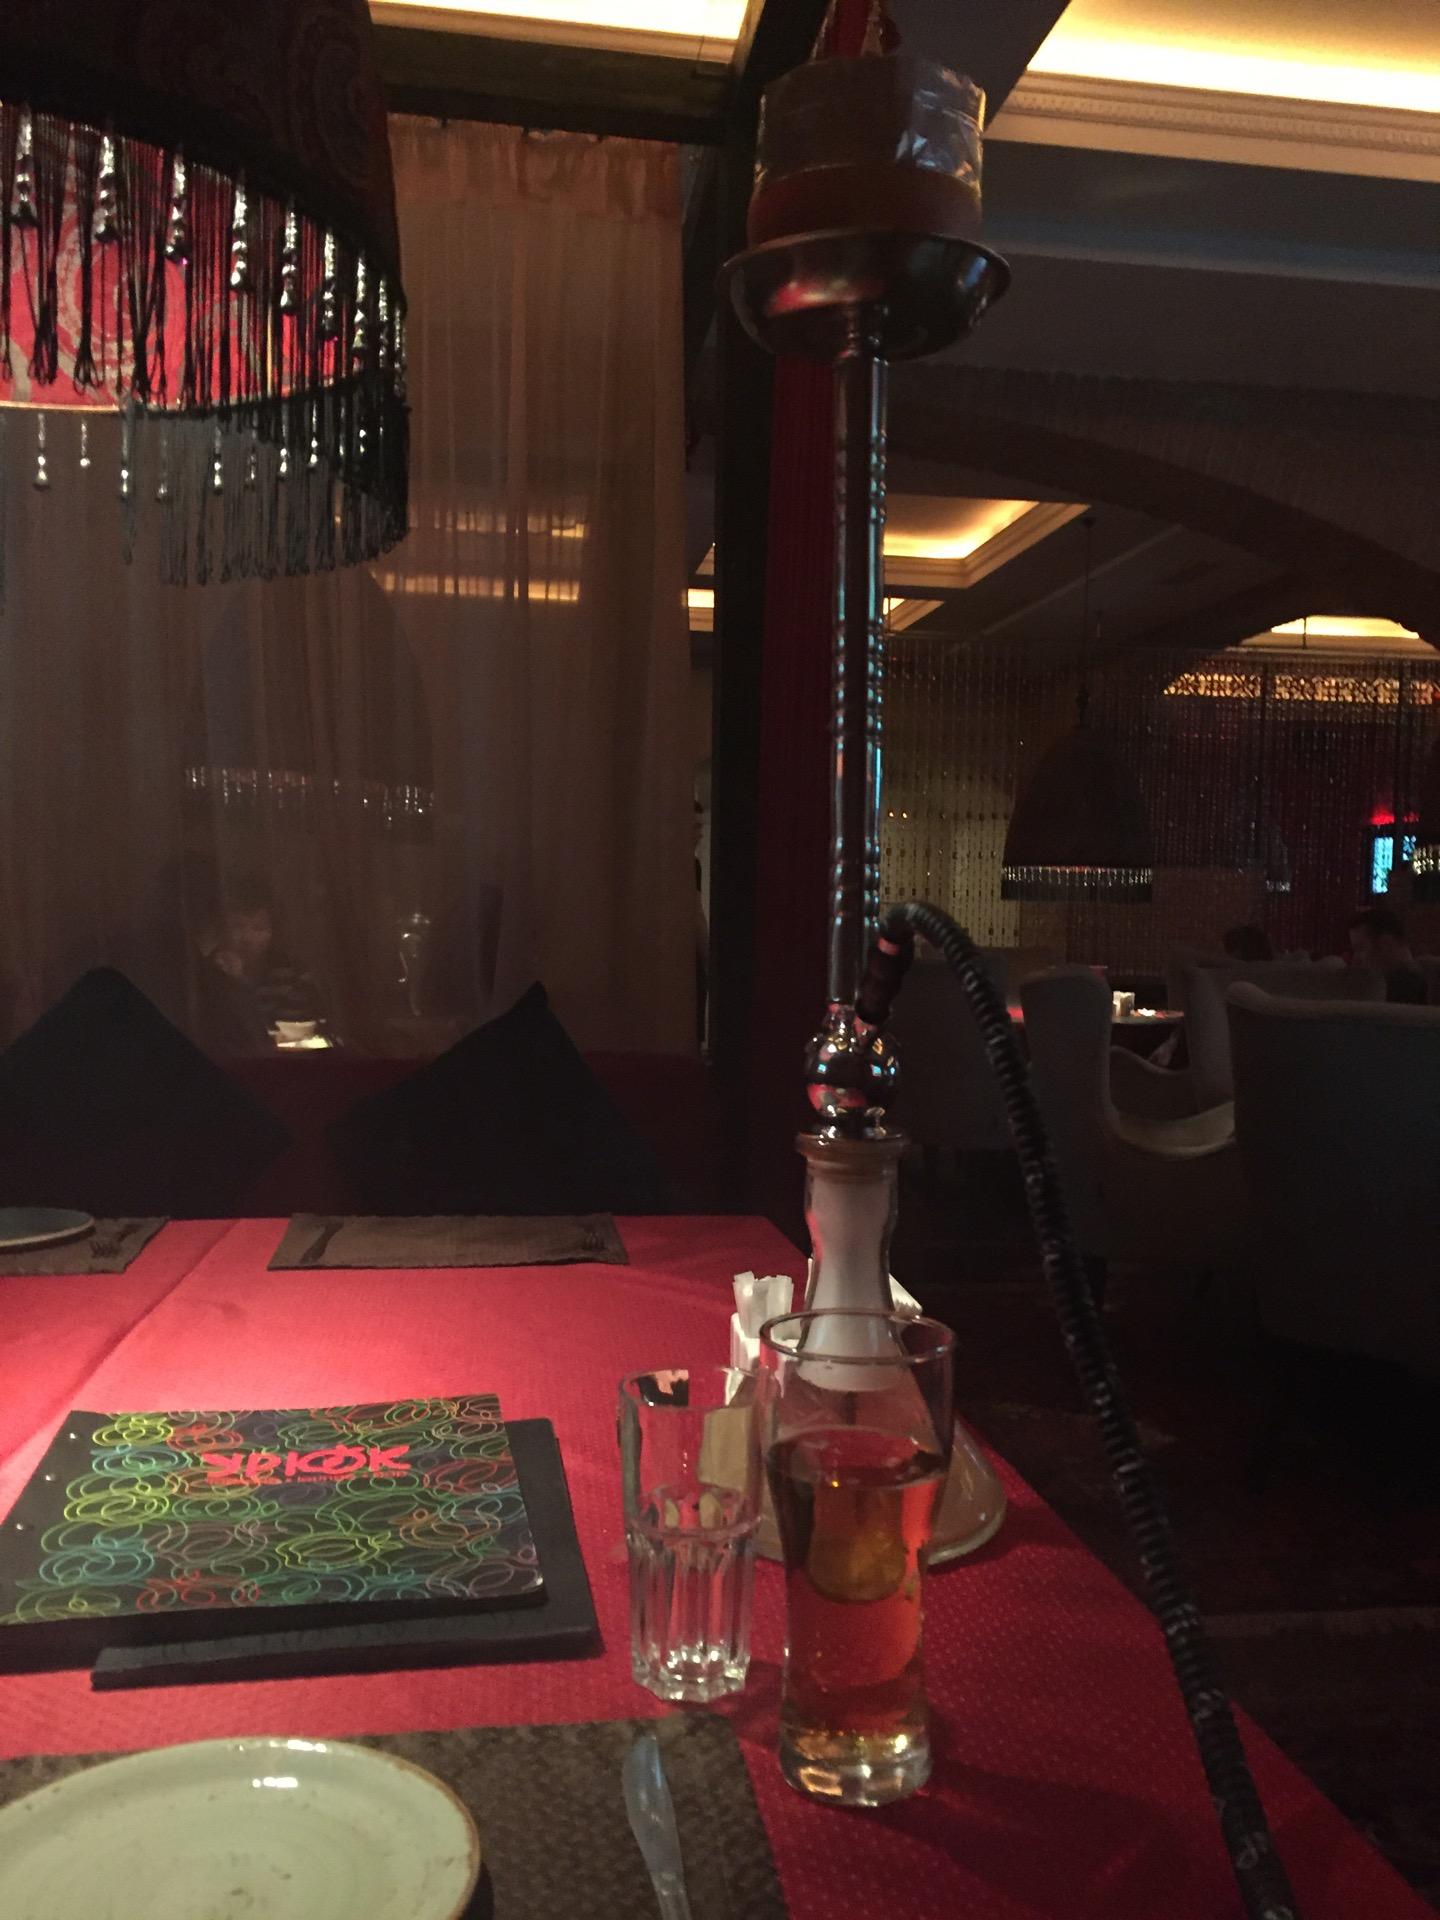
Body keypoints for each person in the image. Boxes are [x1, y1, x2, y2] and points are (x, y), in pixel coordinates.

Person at [195, 876, 324, 1054]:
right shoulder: (205, 974)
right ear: (222, 929)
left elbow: (295, 1033)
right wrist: (235, 983)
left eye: (259, 928)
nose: (248, 938)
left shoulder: (292, 974)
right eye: (237, 926)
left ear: (273, 931)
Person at [1347, 906, 1427, 1005]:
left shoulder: (1396, 986)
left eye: (1361, 948)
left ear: (1386, 943)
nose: (1356, 958)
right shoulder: (1422, 977)